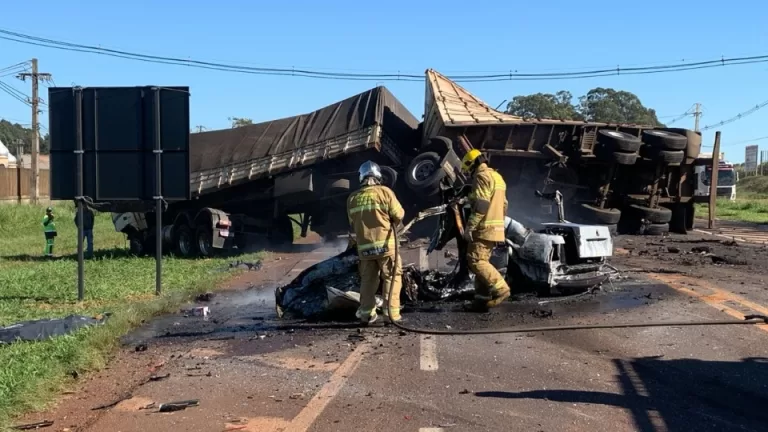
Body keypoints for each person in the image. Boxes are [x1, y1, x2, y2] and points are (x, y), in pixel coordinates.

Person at [346, 161, 405, 325]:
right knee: (392, 277)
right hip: (386, 247)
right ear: (378, 176)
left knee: (368, 281)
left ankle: (366, 315)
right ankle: (391, 314)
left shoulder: (352, 198)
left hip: (365, 249)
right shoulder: (385, 192)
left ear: (361, 177)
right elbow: (399, 215)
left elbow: (352, 222)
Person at [460, 149, 511, 312]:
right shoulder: (498, 177)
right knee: (482, 262)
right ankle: (480, 301)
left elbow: (482, 205)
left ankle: (501, 288)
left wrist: (470, 227)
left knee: (475, 261)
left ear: (471, 164)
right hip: (495, 228)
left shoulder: (481, 176)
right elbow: (504, 205)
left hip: (483, 227)